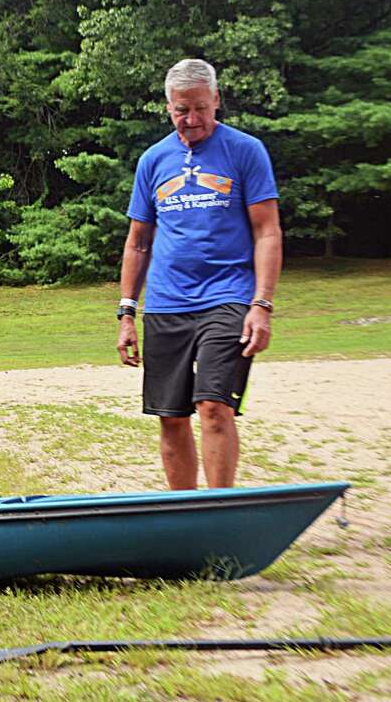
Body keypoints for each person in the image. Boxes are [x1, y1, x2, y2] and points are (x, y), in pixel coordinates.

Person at [117, 58, 282, 490]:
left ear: (216, 101)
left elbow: (267, 231)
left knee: (213, 406)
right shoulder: (153, 161)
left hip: (228, 297)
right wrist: (127, 312)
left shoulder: (246, 151)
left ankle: (218, 512)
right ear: (168, 107)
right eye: (181, 111)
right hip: (167, 303)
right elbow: (137, 241)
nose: (191, 120)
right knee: (170, 418)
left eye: (200, 109)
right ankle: (183, 518)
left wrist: (261, 304)